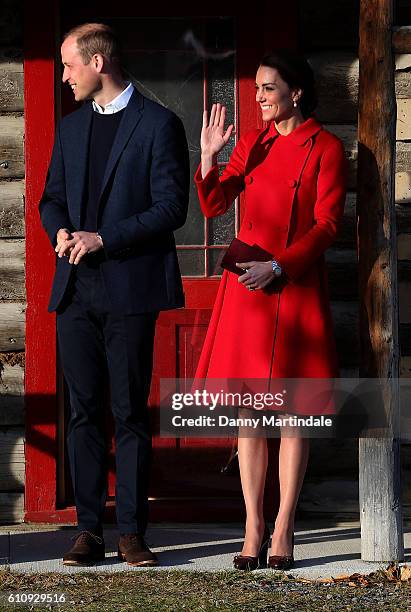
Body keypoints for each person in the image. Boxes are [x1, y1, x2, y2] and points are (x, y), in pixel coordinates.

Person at [39, 22, 189, 566]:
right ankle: (89, 530)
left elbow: (173, 208)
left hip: (130, 289)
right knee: (82, 413)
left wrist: (103, 237)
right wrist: (59, 231)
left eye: (68, 65)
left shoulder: (159, 124)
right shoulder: (71, 128)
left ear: (97, 63)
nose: (63, 77)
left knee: (127, 413)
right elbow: (50, 198)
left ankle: (130, 532)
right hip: (75, 290)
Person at [194, 49, 347, 570]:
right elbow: (216, 205)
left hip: (293, 286)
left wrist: (280, 268)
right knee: (249, 412)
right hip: (247, 291)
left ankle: (284, 526)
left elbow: (327, 225)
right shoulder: (255, 142)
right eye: (257, 88)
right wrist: (210, 157)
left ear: (295, 92)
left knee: (292, 414)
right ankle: (253, 526)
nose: (257, 97)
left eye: (267, 88)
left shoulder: (326, 147)